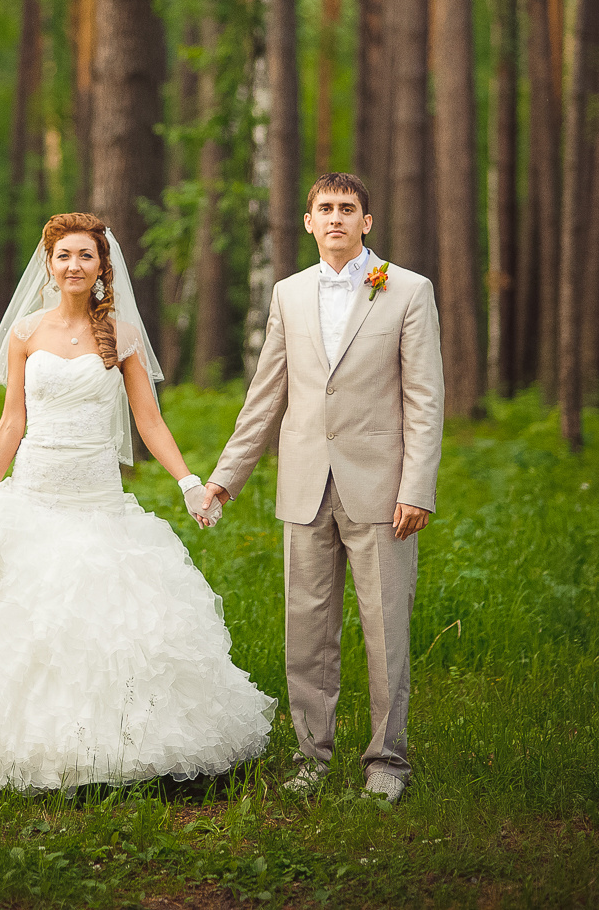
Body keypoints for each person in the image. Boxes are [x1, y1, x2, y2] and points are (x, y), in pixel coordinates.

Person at [0, 211, 275, 794]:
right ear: (49, 263)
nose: (74, 266)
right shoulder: (25, 333)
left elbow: (149, 421)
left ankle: (121, 753)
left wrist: (190, 482)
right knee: (21, 622)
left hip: (97, 501)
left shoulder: (121, 334)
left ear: (101, 266)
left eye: (85, 256)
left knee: (112, 624)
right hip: (34, 495)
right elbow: (11, 421)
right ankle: (13, 749)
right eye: (64, 255)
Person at [200, 173, 444, 802]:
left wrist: (416, 486)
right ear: (308, 222)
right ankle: (313, 756)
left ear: (368, 221)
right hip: (306, 485)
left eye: (349, 208)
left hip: (383, 491)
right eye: (325, 208)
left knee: (385, 627)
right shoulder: (287, 294)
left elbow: (424, 399)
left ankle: (387, 762)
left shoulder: (409, 291)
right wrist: (226, 479)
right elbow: (265, 398)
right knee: (307, 629)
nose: (336, 217)